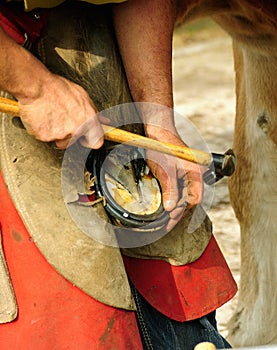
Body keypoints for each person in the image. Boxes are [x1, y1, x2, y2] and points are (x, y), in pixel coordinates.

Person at [0, 1, 237, 349]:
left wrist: (158, 123)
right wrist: (32, 86)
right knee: (67, 321)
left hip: (95, 32)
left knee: (171, 278)